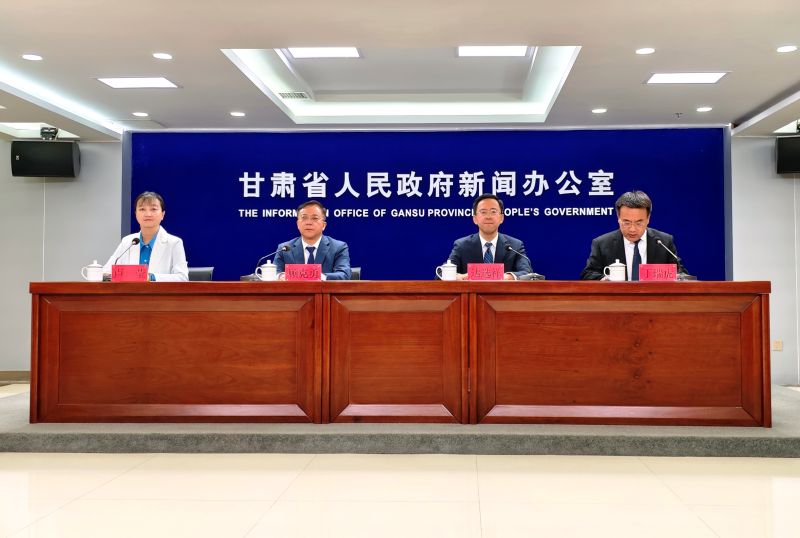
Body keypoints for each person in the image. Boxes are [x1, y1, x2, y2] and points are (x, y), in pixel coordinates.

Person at [580, 190, 687, 280]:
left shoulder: (664, 242)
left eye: (639, 223)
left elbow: (681, 274)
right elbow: (588, 274)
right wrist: (605, 279)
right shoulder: (602, 243)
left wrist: (677, 277)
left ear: (648, 219)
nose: (632, 229)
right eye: (626, 222)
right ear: (618, 218)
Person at [103, 191, 189, 281]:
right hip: (130, 290)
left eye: (153, 209)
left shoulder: (174, 243)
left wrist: (151, 277)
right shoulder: (127, 241)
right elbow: (106, 272)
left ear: (163, 215)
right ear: (136, 214)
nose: (148, 214)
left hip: (159, 290)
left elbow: (182, 277)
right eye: (142, 209)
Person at [446, 193, 533, 280]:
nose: (488, 217)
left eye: (493, 212)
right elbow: (443, 273)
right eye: (483, 212)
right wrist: (459, 277)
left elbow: (527, 273)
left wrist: (506, 277)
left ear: (501, 218)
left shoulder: (515, 246)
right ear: (475, 219)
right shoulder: (462, 245)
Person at [274, 200, 351, 280]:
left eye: (315, 218)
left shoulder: (338, 247)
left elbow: (344, 274)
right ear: (298, 224)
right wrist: (280, 276)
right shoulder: (285, 248)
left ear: (324, 225)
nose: (309, 222)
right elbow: (274, 273)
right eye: (304, 218)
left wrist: (318, 276)